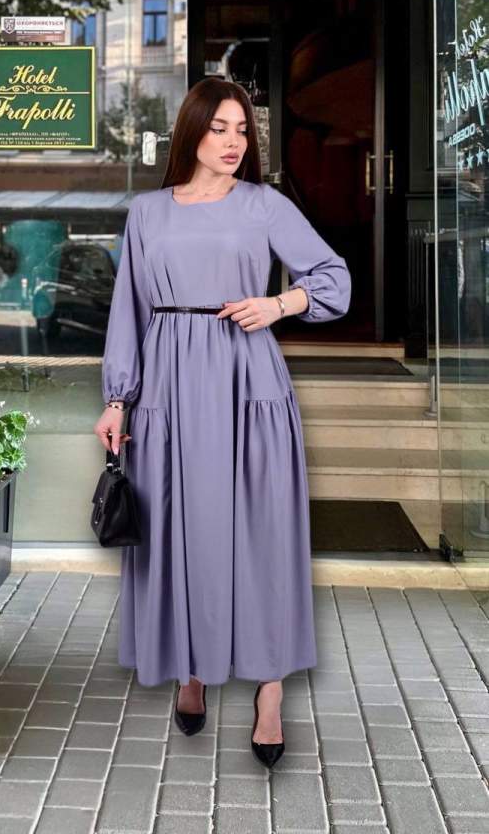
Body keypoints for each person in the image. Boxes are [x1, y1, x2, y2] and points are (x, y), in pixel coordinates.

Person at [94, 76, 351, 767]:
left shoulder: (265, 206)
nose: (234, 141)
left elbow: (333, 279)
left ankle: (269, 691)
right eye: (220, 128)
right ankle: (192, 667)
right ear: (192, 132)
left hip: (248, 383)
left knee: (263, 536)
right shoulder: (148, 213)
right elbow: (130, 311)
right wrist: (117, 399)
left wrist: (280, 304)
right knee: (180, 532)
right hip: (169, 390)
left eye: (243, 130)